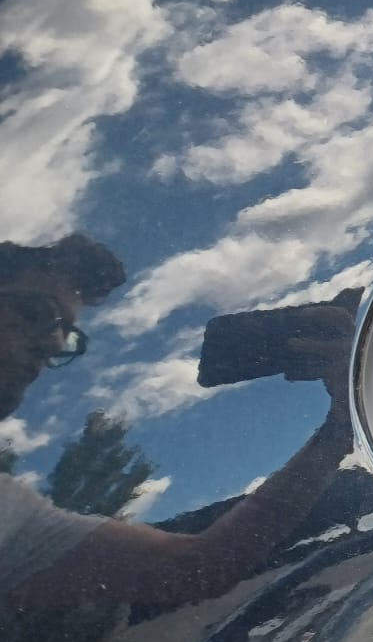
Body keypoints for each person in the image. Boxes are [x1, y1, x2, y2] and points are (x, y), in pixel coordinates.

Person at [0, 234, 355, 609]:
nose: (53, 343)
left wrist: (338, 430)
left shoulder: (12, 511)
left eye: (67, 335)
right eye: (35, 313)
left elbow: (196, 566)